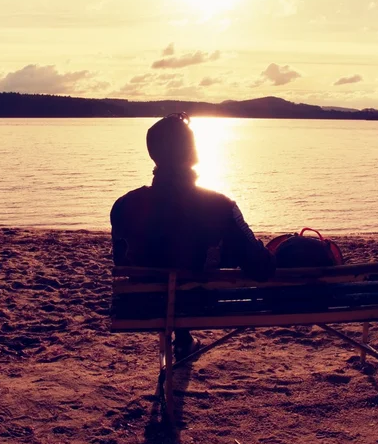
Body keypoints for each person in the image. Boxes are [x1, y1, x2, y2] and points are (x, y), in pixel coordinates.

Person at [110, 112, 274, 358]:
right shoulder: (219, 205)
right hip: (201, 304)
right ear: (189, 152)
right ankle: (184, 337)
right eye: (193, 141)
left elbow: (123, 262)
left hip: (144, 305)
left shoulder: (123, 206)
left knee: (174, 265)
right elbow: (261, 267)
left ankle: (182, 339)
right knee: (198, 262)